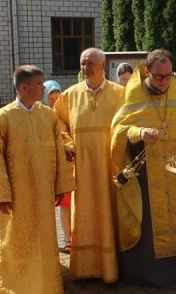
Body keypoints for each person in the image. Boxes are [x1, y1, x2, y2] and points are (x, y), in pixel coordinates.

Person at [110, 49, 176, 287]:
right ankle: (145, 273)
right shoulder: (133, 95)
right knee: (149, 221)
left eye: (169, 76)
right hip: (146, 174)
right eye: (159, 77)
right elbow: (118, 132)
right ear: (147, 72)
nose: (164, 82)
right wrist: (140, 132)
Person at [0, 65, 75, 293]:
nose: (43, 88)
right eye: (39, 84)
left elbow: (59, 147)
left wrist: (60, 186)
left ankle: (47, 284)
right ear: (24, 87)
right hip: (16, 194)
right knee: (16, 239)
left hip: (44, 191)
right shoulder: (5, 117)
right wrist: (2, 194)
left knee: (45, 237)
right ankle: (17, 286)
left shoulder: (48, 115)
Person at [54, 47, 124, 282]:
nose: (85, 68)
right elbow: (58, 126)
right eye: (83, 63)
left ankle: (112, 268)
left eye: (90, 63)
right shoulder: (69, 95)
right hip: (83, 170)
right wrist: (68, 145)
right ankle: (84, 268)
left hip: (110, 168)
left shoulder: (120, 94)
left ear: (103, 66)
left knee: (111, 214)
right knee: (83, 216)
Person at [42, 80, 73, 253]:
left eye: (57, 97)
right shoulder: (43, 115)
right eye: (50, 98)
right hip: (55, 168)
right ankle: (67, 239)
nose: (54, 101)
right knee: (64, 205)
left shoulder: (65, 113)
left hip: (73, 166)